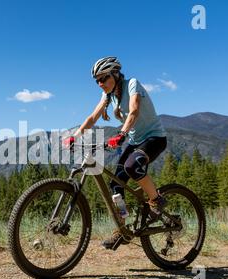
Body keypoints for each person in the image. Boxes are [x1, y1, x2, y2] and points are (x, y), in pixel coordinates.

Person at [63, 56, 168, 250]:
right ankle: (123, 228)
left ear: (116, 74)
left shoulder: (132, 84)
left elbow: (134, 110)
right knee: (116, 185)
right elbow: (92, 117)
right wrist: (75, 136)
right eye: (97, 81)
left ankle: (157, 199)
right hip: (135, 140)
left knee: (131, 166)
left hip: (154, 138)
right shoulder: (108, 95)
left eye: (103, 78)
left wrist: (121, 134)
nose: (100, 83)